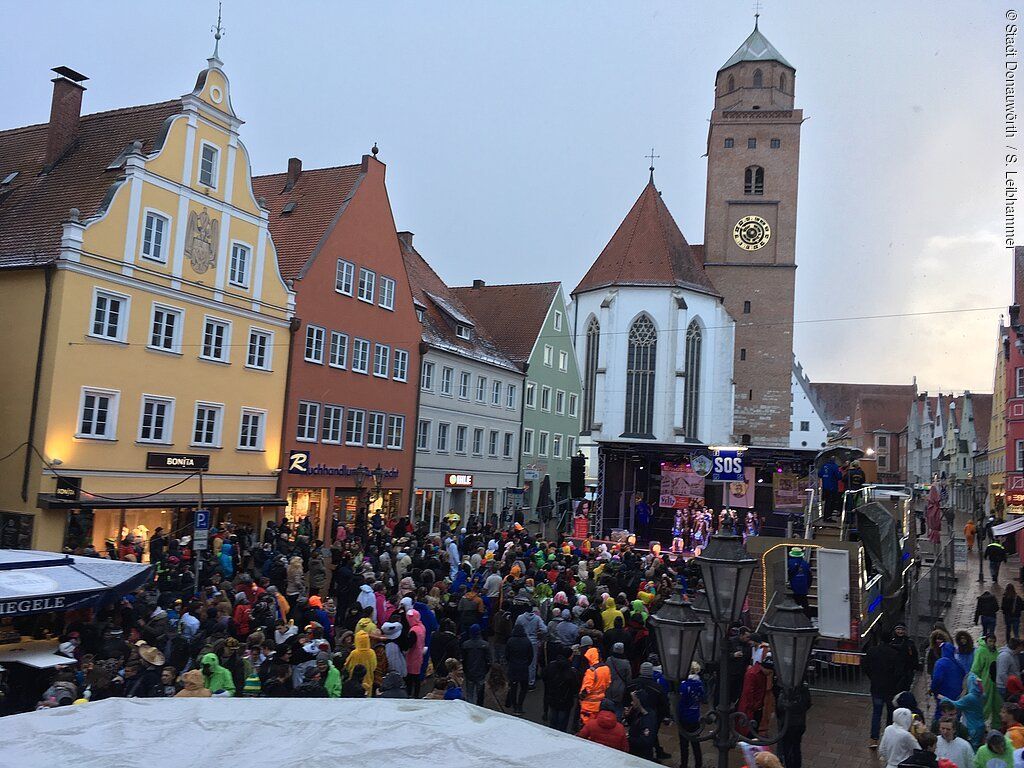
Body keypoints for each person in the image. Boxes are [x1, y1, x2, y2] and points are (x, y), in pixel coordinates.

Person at [866, 632, 903, 747]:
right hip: (890, 689)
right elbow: (898, 672)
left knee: (876, 713)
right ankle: (888, 738)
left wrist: (872, 678)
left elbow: (866, 666)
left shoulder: (872, 651)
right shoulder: (895, 654)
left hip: (876, 687)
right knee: (890, 713)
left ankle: (874, 738)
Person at [777, 680, 811, 768]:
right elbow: (808, 704)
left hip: (787, 724)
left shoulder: (785, 688)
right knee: (796, 747)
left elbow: (780, 706)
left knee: (787, 748)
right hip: (799, 723)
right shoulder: (803, 687)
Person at [677, 662, 706, 768]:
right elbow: (703, 697)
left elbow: (681, 703)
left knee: (684, 744)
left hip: (685, 717)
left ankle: (684, 764)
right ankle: (699, 764)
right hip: (695, 716)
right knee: (695, 742)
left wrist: (677, 716)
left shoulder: (684, 685)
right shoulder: (699, 683)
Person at [505, 623, 534, 713]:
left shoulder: (510, 641)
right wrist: (526, 663)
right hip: (524, 668)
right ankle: (520, 705)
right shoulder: (527, 641)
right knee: (523, 688)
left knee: (513, 688)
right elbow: (531, 656)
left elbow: (507, 655)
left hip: (513, 668)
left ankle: (514, 706)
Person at [931, 643, 967, 715]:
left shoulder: (941, 663)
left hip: (943, 694)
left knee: (941, 714)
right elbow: (964, 676)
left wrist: (933, 689)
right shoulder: (958, 663)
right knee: (954, 714)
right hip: (957, 696)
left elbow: (937, 679)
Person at [461, 624, 491, 706]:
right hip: (481, 673)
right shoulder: (485, 645)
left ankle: (470, 710)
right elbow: (489, 660)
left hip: (469, 673)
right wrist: (485, 671)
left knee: (469, 694)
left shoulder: (466, 645)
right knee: (480, 695)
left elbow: (463, 660)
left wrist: (465, 670)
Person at [787, 548, 812, 615]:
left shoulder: (789, 563)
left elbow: (788, 574)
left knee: (795, 603)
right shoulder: (805, 564)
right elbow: (810, 577)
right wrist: (807, 586)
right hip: (804, 587)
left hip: (793, 587)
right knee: (804, 603)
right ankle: (807, 618)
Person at [817, 457, 842, 521]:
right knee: (832, 503)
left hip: (825, 487)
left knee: (827, 502)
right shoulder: (835, 466)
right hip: (832, 487)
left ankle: (826, 517)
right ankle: (829, 517)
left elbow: (819, 474)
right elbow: (839, 477)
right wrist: (840, 473)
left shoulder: (824, 466)